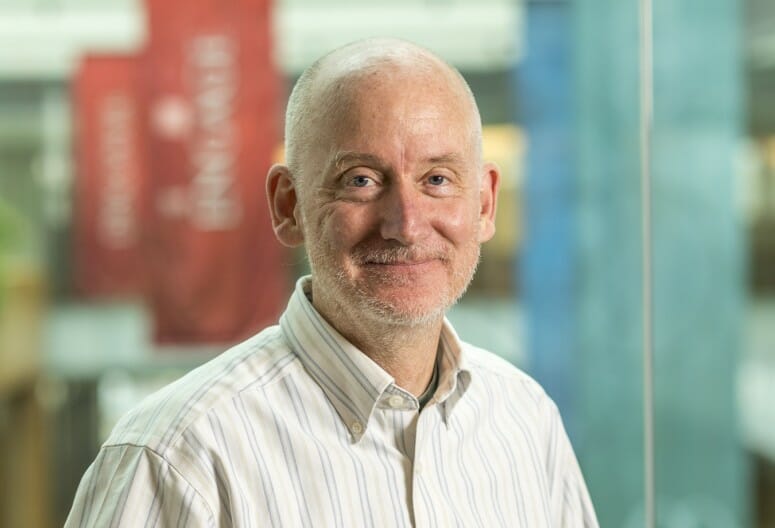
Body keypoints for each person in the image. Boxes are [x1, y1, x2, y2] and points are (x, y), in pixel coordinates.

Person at [66, 38, 598, 527]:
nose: (406, 225)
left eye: (437, 180)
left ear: (483, 205)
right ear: (288, 205)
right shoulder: (180, 453)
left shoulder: (525, 419)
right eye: (361, 180)